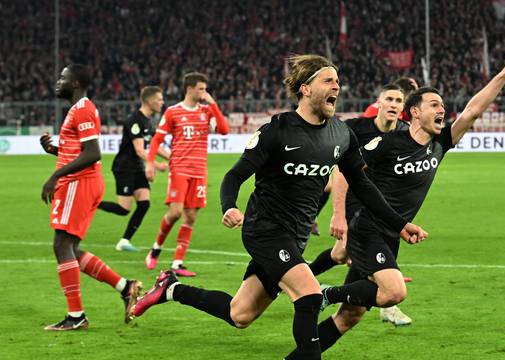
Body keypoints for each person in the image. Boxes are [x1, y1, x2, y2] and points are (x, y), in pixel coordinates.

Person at [130, 54, 426, 360]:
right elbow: (235, 175)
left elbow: (364, 187)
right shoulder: (278, 130)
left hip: (295, 237)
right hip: (265, 230)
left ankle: (170, 288)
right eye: (328, 80)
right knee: (310, 296)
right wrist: (228, 206)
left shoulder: (341, 134)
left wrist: (399, 224)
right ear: (305, 88)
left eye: (338, 81)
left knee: (240, 314)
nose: (336, 86)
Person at [312, 42, 505, 356]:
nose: (442, 110)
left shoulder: (440, 143)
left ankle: (303, 351)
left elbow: (474, 110)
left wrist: (504, 75)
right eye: (434, 105)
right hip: (368, 229)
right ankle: (322, 294)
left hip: (391, 235)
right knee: (393, 292)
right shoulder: (387, 144)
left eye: (442, 106)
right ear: (414, 112)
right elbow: (346, 171)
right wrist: (339, 215)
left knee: (351, 315)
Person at [39, 64, 142, 330]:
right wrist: (56, 151)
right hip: (80, 182)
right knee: (70, 248)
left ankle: (76, 317)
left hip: (79, 183)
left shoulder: (83, 109)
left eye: (63, 78)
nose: (58, 81)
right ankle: (125, 287)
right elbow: (80, 151)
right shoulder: (77, 109)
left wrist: (55, 175)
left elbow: (93, 153)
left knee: (62, 245)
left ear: (75, 83)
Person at [308, 83, 413, 326]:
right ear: (379, 103)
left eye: (399, 101)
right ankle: (388, 306)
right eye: (390, 99)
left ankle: (304, 281)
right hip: (355, 201)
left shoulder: (406, 132)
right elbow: (338, 166)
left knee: (340, 253)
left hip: (382, 206)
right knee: (364, 256)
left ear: (403, 108)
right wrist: (338, 213)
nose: (394, 104)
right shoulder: (356, 128)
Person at [144, 72, 230, 277]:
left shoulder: (207, 111)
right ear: (189, 89)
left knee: (190, 216)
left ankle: (177, 263)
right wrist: (150, 163)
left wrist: (214, 104)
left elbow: (224, 130)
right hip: (179, 168)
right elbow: (157, 139)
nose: (204, 92)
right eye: (201, 89)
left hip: (199, 171)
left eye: (205, 89)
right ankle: (156, 248)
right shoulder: (173, 112)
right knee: (175, 213)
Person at [97, 86, 170, 251]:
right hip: (124, 168)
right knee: (124, 209)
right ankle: (94, 204)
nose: (162, 102)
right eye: (159, 99)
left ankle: (124, 241)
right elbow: (139, 149)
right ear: (150, 101)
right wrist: (156, 165)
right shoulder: (134, 121)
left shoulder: (148, 121)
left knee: (144, 204)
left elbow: (153, 145)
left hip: (137, 167)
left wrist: (172, 158)